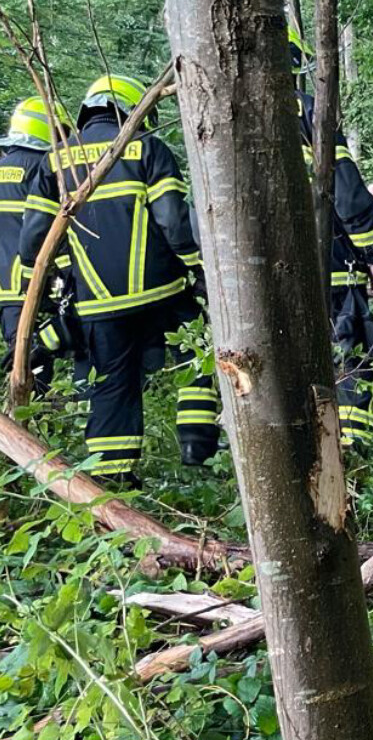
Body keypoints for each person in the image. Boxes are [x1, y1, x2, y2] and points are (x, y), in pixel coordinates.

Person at [20, 75, 219, 480]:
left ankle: (113, 481)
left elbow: (33, 241)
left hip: (97, 303)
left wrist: (58, 278)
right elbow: (172, 221)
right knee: (197, 356)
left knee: (112, 388)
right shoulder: (146, 147)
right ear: (134, 111)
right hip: (162, 292)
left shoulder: (53, 161)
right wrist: (194, 267)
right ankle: (199, 452)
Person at [296, 93, 373, 447]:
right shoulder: (308, 112)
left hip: (258, 284)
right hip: (332, 271)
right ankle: (351, 455)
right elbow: (349, 196)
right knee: (352, 362)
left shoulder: (220, 103)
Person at [0, 96, 67, 390]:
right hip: (24, 288)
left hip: (6, 287)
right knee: (30, 371)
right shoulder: (44, 169)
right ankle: (24, 432)